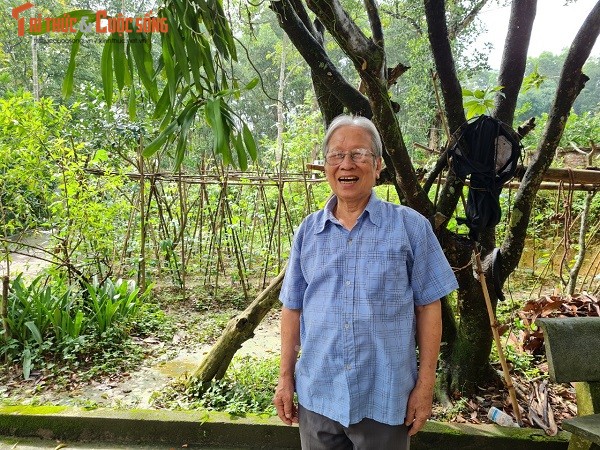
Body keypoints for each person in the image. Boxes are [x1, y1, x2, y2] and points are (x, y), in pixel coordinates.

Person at [273, 114, 459, 449]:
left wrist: (425, 385)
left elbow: (429, 307)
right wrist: (285, 378)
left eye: (359, 154)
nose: (347, 164)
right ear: (326, 165)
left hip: (385, 397)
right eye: (336, 155)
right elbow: (292, 308)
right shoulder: (308, 232)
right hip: (318, 393)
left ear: (377, 165)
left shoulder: (410, 227)